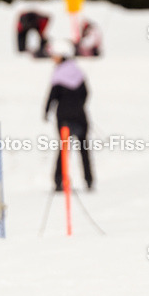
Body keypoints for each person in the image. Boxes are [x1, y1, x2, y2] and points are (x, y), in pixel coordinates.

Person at [44, 41, 93, 192]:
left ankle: (59, 180)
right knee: (83, 148)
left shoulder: (58, 74)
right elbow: (86, 93)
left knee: (64, 148)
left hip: (64, 116)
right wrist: (78, 106)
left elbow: (52, 96)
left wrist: (46, 111)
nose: (53, 59)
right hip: (80, 116)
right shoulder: (78, 72)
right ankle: (89, 180)